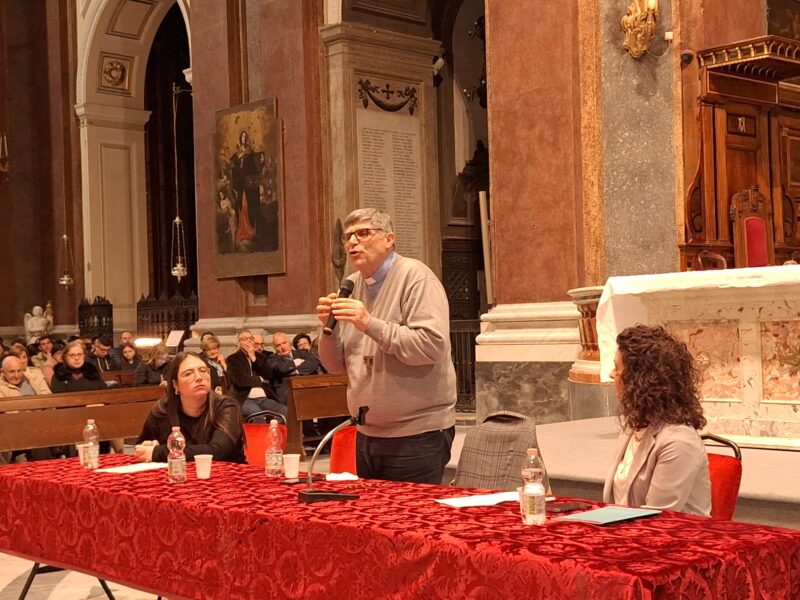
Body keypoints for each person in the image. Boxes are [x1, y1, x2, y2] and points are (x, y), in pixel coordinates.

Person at [316, 208, 456, 484]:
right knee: (374, 511)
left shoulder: (416, 277)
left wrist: (369, 323)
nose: (352, 242)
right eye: (347, 237)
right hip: (367, 433)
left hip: (416, 435)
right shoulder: (351, 285)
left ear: (389, 239)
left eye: (363, 233)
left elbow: (431, 347)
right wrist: (328, 330)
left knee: (410, 512)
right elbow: (334, 366)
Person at [603, 324, 711, 517]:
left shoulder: (678, 441)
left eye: (617, 369)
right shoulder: (633, 427)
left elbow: (657, 517)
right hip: (627, 529)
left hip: (673, 533)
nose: (612, 374)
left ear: (640, 380)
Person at [134, 352, 245, 463]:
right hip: (177, 472)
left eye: (203, 371)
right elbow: (142, 448)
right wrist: (148, 446)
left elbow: (219, 450)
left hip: (226, 472)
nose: (199, 377)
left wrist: (159, 452)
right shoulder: (162, 410)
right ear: (175, 385)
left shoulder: (226, 406)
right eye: (188, 374)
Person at [226, 330, 286, 420]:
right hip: (245, 399)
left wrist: (253, 358)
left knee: (283, 410)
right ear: (239, 343)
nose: (249, 341)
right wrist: (260, 380)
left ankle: (274, 429)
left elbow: (268, 375)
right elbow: (240, 381)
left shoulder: (260, 357)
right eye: (245, 339)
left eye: (251, 338)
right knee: (257, 414)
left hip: (264, 398)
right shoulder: (233, 359)